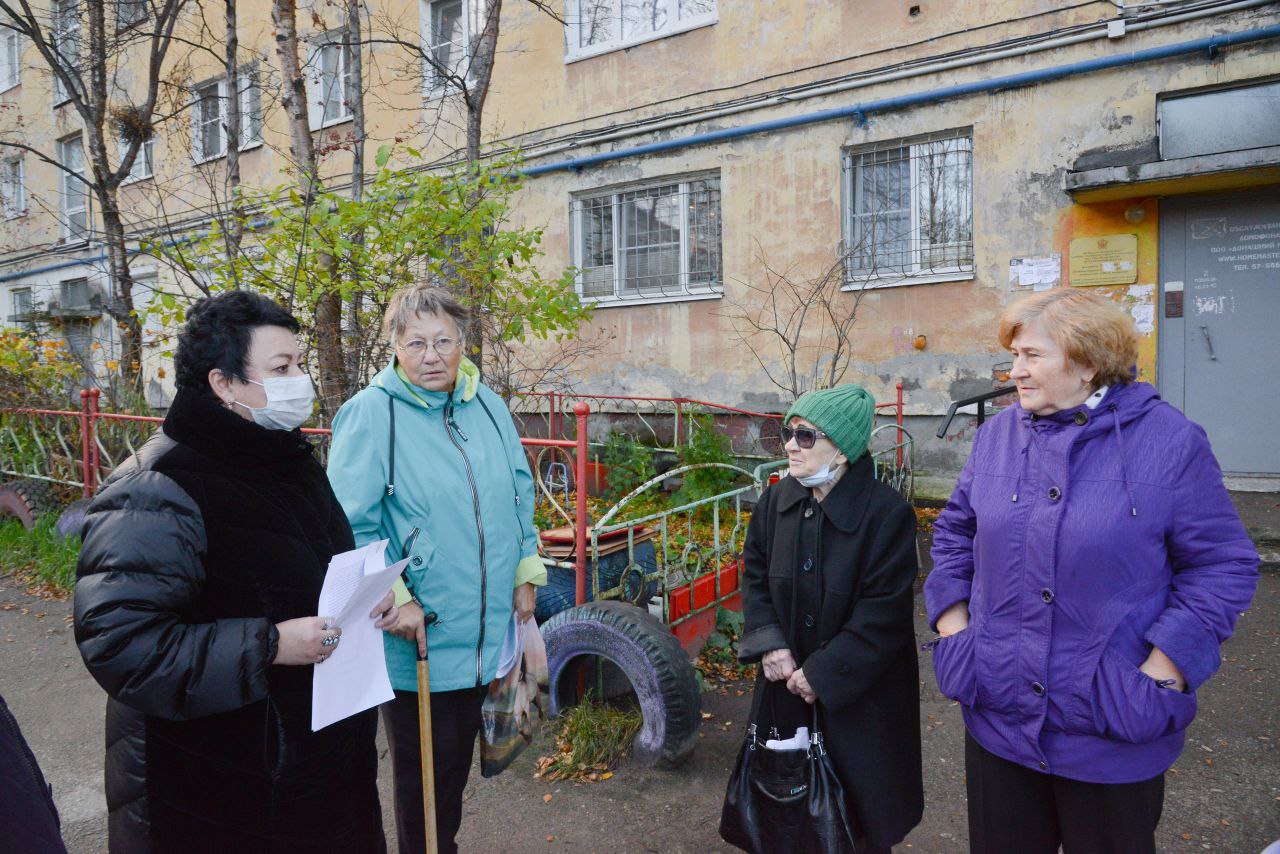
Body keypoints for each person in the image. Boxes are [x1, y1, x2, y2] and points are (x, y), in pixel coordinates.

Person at [924, 288, 1259, 854]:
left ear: (1085, 362)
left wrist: (1165, 668)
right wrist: (956, 632)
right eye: (1014, 356)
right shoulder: (998, 437)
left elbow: (1222, 564)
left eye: (1031, 356)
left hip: (1110, 727)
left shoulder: (1169, 443)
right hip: (999, 720)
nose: (1016, 372)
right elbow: (956, 532)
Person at [74, 291, 390, 851]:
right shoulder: (156, 488)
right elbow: (121, 645)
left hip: (316, 776)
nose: (301, 380)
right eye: (281, 368)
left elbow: (306, 573)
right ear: (224, 384)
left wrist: (363, 601)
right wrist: (269, 645)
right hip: (216, 797)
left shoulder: (285, 459)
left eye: (299, 364)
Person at [327, 285, 543, 854]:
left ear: (463, 343)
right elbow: (351, 523)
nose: (431, 355)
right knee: (425, 791)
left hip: (488, 632)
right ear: (395, 346)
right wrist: (394, 597)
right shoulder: (371, 415)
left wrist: (526, 570)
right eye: (416, 341)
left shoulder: (487, 405)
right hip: (422, 640)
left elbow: (520, 495)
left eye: (443, 340)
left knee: (454, 780)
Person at [735, 383, 924, 853]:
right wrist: (770, 641)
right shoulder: (777, 502)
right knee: (784, 803)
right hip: (784, 688)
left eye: (806, 436)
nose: (791, 447)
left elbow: (885, 613)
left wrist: (823, 673)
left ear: (841, 450)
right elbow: (754, 572)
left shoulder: (887, 515)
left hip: (860, 700)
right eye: (787, 433)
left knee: (854, 818)